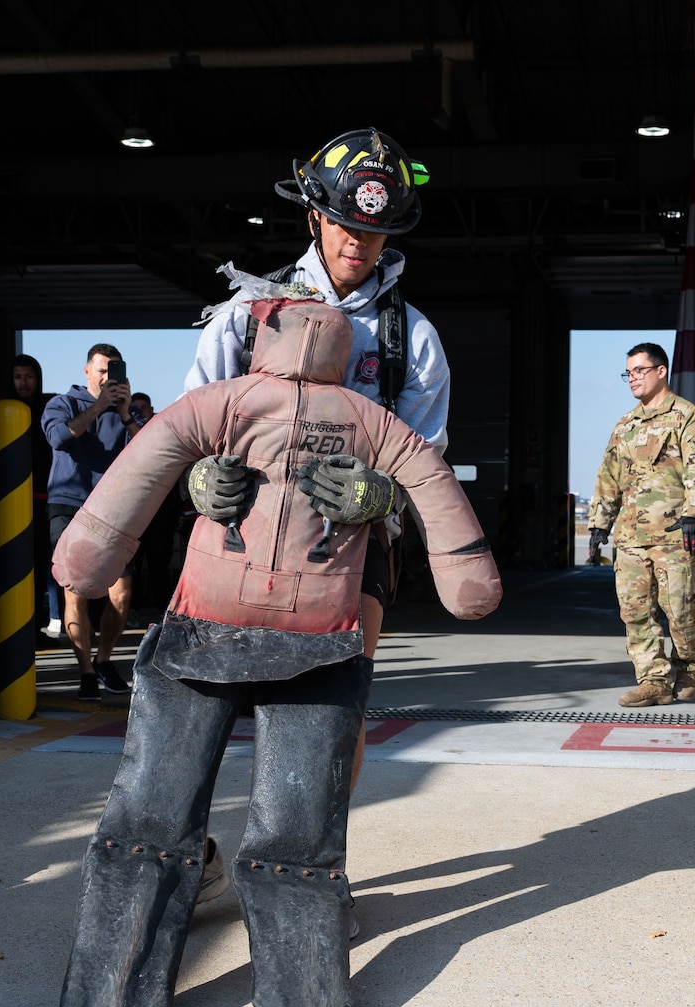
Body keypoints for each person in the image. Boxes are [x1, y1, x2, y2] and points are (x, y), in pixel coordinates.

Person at [53, 292, 500, 1007]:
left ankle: (112, 996)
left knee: (149, 819)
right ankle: (304, 999)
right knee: (298, 832)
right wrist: (206, 483)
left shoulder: (393, 335)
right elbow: (428, 469)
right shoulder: (353, 393)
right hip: (320, 635)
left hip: (207, 626)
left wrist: (376, 498)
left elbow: (153, 450)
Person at [180, 128, 452, 890]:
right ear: (313, 217)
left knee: (337, 708)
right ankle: (189, 854)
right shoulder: (248, 311)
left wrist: (385, 493)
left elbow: (425, 456)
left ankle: (303, 858)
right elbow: (188, 422)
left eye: (376, 230)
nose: (359, 244)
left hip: (352, 542)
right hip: (240, 530)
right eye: (346, 225)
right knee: (206, 698)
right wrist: (200, 479)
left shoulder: (412, 338)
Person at [587, 342, 695, 707]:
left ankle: (688, 671)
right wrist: (600, 522)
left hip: (675, 534)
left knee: (681, 609)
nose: (633, 378)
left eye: (640, 371)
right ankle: (653, 681)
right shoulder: (625, 425)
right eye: (628, 373)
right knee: (635, 611)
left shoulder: (688, 417)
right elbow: (609, 475)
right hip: (630, 537)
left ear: (662, 372)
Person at [43, 344, 141, 700]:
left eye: (113, 370)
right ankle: (85, 670)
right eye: (101, 370)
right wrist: (99, 406)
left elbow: (152, 451)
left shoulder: (124, 411)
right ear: (87, 372)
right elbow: (57, 437)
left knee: (122, 594)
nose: (106, 377)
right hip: (69, 505)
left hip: (113, 509)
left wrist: (127, 414)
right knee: (75, 592)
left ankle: (103, 660)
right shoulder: (62, 403)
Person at [12, 354, 57, 639]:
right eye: (17, 376)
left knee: (42, 566)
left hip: (44, 498)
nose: (23, 382)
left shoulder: (48, 409)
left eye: (28, 376)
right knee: (16, 565)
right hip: (10, 504)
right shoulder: (0, 409)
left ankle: (39, 623)